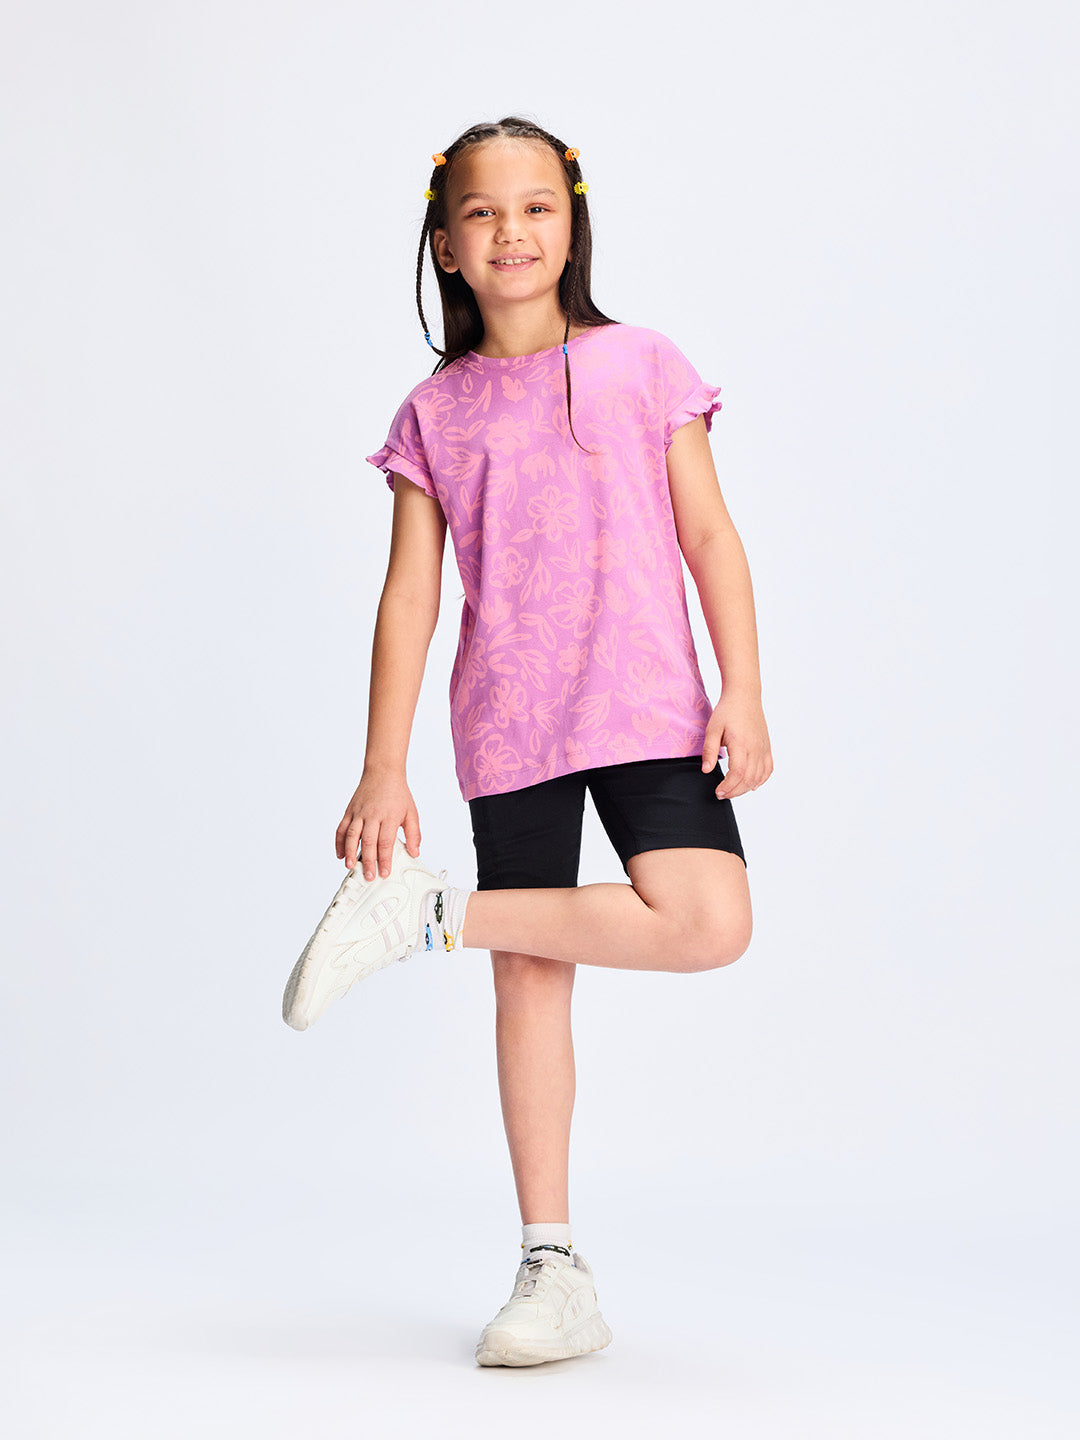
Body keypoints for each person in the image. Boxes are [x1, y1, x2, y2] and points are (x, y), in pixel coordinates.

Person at [281, 116, 773, 1368]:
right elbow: (410, 595)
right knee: (533, 974)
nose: (513, 231)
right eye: (483, 212)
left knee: (709, 921)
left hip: (651, 704)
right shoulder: (434, 412)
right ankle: (549, 1265)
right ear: (446, 245)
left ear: (574, 218)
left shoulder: (643, 364)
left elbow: (710, 535)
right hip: (510, 717)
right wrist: (382, 764)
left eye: (538, 206)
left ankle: (426, 917)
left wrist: (745, 687)